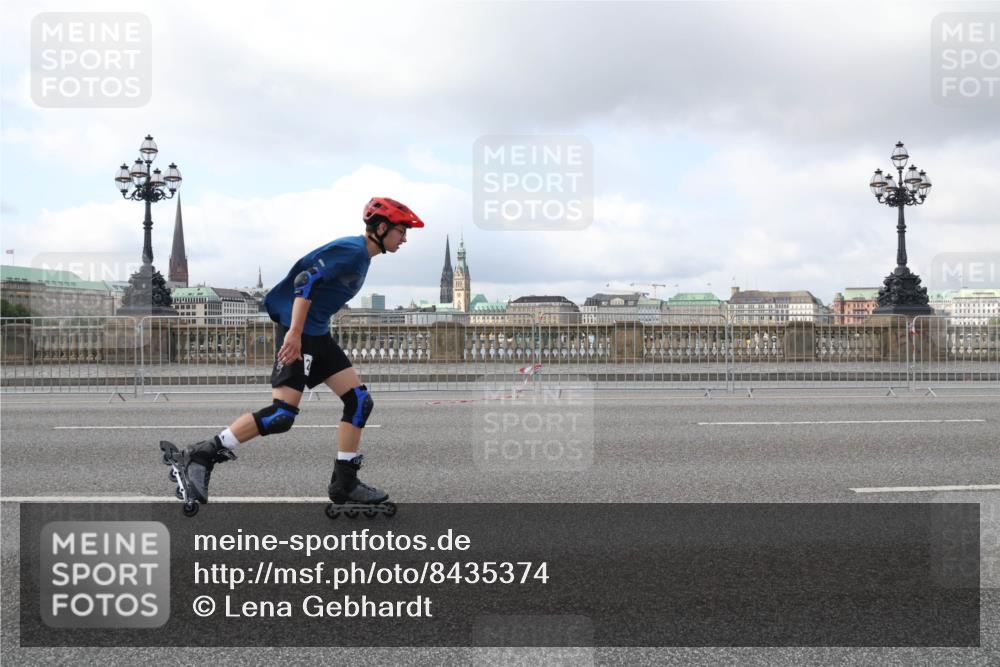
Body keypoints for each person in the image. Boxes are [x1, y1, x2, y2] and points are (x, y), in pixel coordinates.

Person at [175, 197, 424, 506]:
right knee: (281, 415)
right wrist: (293, 334)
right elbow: (304, 282)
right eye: (401, 231)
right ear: (382, 227)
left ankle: (345, 482)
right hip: (300, 334)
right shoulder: (352, 250)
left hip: (317, 334)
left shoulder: (363, 257)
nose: (405, 238)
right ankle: (201, 455)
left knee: (359, 401)